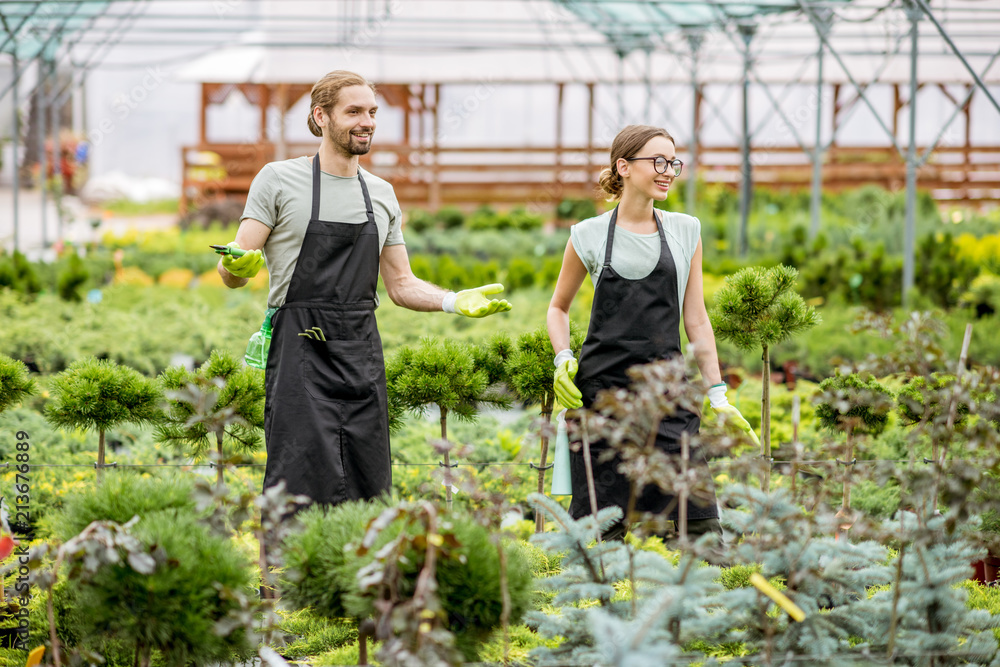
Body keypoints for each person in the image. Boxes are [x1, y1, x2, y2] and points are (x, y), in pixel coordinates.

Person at [219, 70, 511, 508]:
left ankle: (365, 572)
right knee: (296, 480)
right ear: (321, 116)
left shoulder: (381, 193)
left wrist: (452, 300)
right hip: (299, 349)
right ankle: (284, 575)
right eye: (354, 111)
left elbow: (401, 284)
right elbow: (235, 270)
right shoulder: (277, 180)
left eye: (372, 112)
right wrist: (235, 264)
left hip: (359, 352)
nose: (367, 121)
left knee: (367, 477)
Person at [546, 124, 758, 541]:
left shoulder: (685, 230)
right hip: (601, 399)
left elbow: (695, 318)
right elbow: (558, 307)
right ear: (623, 166)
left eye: (674, 163)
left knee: (697, 529)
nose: (668, 171)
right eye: (657, 161)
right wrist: (563, 357)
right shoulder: (587, 235)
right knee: (603, 533)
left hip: (668, 394)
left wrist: (718, 395)